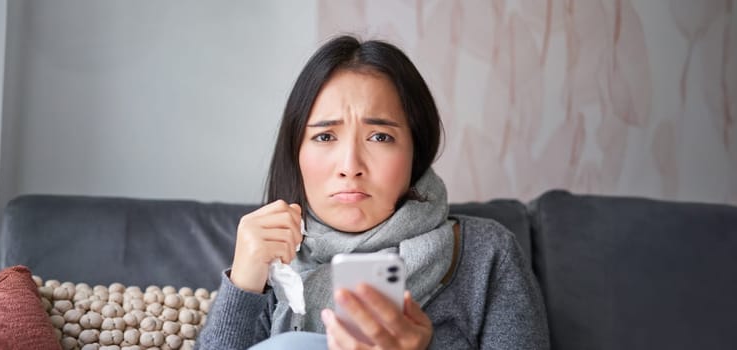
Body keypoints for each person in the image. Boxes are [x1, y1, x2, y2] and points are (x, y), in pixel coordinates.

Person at [196, 35, 549, 349]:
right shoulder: (274, 259)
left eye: (380, 137)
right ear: (297, 153)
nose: (350, 165)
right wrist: (243, 284)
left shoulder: (487, 254)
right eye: (325, 136)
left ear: (416, 151)